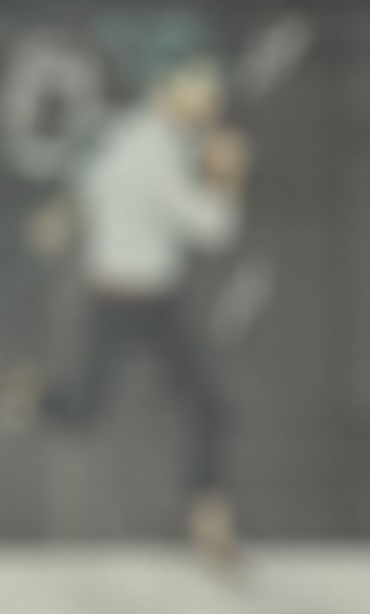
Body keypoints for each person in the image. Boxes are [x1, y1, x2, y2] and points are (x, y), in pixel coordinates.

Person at [5, 58, 247, 562]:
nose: (209, 106)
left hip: (153, 298)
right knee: (87, 410)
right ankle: (24, 391)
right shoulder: (153, 152)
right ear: (169, 94)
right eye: (200, 95)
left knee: (204, 407)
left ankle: (209, 520)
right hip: (122, 301)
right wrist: (227, 175)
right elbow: (214, 230)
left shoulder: (139, 136)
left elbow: (92, 185)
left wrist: (70, 212)